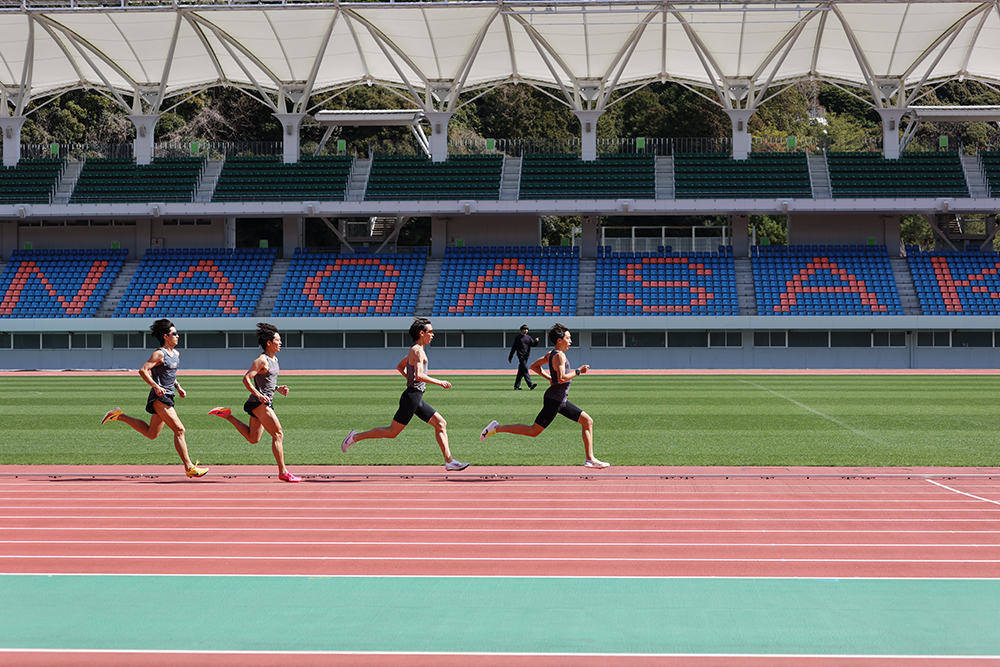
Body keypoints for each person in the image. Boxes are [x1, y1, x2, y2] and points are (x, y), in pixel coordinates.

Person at [342, 318, 469, 471]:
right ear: (422, 333)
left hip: (415, 396)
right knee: (392, 432)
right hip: (412, 398)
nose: (433, 335)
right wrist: (439, 381)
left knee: (441, 424)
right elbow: (419, 375)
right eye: (431, 332)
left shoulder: (415, 350)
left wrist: (411, 381)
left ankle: (449, 461)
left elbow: (400, 366)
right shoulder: (417, 351)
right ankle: (354, 437)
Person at [480, 323, 609, 469]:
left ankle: (590, 459)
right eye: (568, 338)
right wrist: (578, 371)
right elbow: (561, 378)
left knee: (587, 421)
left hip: (560, 399)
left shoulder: (551, 354)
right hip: (555, 401)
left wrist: (548, 378)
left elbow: (535, 366)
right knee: (533, 431)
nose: (571, 341)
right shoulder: (559, 356)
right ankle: (497, 428)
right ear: (559, 340)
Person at [101, 319, 208, 478]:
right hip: (159, 398)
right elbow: (143, 371)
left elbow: (170, 375)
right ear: (166, 336)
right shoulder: (159, 354)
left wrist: (179, 387)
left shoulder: (176, 354)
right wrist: (156, 386)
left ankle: (118, 415)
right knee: (179, 429)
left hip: (169, 395)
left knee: (151, 433)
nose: (178, 336)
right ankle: (189, 467)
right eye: (174, 334)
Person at [208, 322, 300, 483]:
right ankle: (283, 472)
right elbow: (246, 379)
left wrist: (278, 388)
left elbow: (267, 381)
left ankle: (227, 415)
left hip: (263, 401)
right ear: (269, 343)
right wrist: (258, 395)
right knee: (278, 434)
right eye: (278, 340)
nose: (281, 342)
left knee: (253, 438)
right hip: (259, 403)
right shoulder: (261, 360)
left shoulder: (275, 359)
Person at [508, 324, 539, 390]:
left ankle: (516, 386)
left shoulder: (528, 337)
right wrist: (510, 357)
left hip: (526, 356)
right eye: (524, 329)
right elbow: (514, 347)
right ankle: (530, 385)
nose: (526, 330)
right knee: (525, 369)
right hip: (521, 355)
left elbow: (533, 344)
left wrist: (536, 342)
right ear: (521, 330)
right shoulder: (518, 338)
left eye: (527, 329)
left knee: (521, 371)